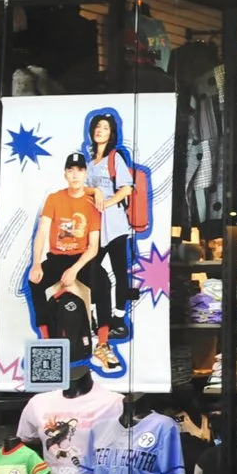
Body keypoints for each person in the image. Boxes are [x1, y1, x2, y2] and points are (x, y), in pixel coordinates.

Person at [29, 154, 112, 368]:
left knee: (104, 282)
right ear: (65, 173)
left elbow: (93, 247)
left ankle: (103, 342)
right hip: (57, 257)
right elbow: (42, 231)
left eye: (79, 170)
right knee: (34, 282)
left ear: (85, 173)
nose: (75, 174)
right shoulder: (54, 198)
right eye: (71, 170)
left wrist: (75, 270)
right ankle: (47, 338)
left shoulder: (91, 203)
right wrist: (36, 263)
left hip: (81, 259)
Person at [84, 111, 139, 341]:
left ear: (111, 133)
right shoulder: (88, 162)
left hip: (115, 223)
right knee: (92, 271)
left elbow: (127, 187)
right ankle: (97, 315)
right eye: (98, 126)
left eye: (105, 127)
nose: (100, 130)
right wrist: (94, 193)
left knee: (119, 272)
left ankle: (119, 318)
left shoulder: (115, 158)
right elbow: (83, 189)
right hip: (95, 224)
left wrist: (106, 202)